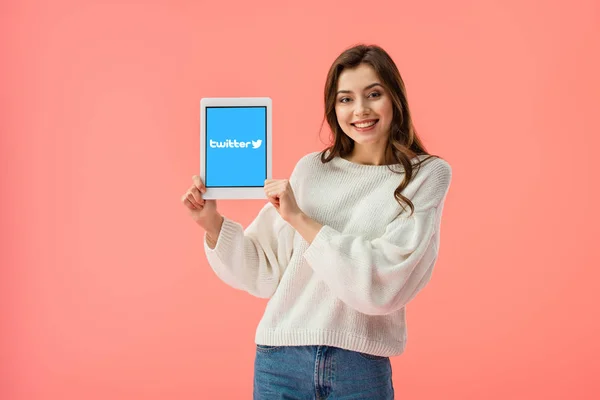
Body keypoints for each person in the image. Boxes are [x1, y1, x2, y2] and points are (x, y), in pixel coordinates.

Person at [181, 44, 452, 399]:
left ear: (394, 97)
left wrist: (300, 219)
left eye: (373, 94)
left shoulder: (426, 175)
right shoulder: (312, 169)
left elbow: (383, 285)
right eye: (345, 99)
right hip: (280, 362)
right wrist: (212, 222)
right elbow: (264, 271)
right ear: (332, 107)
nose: (360, 110)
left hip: (360, 367)